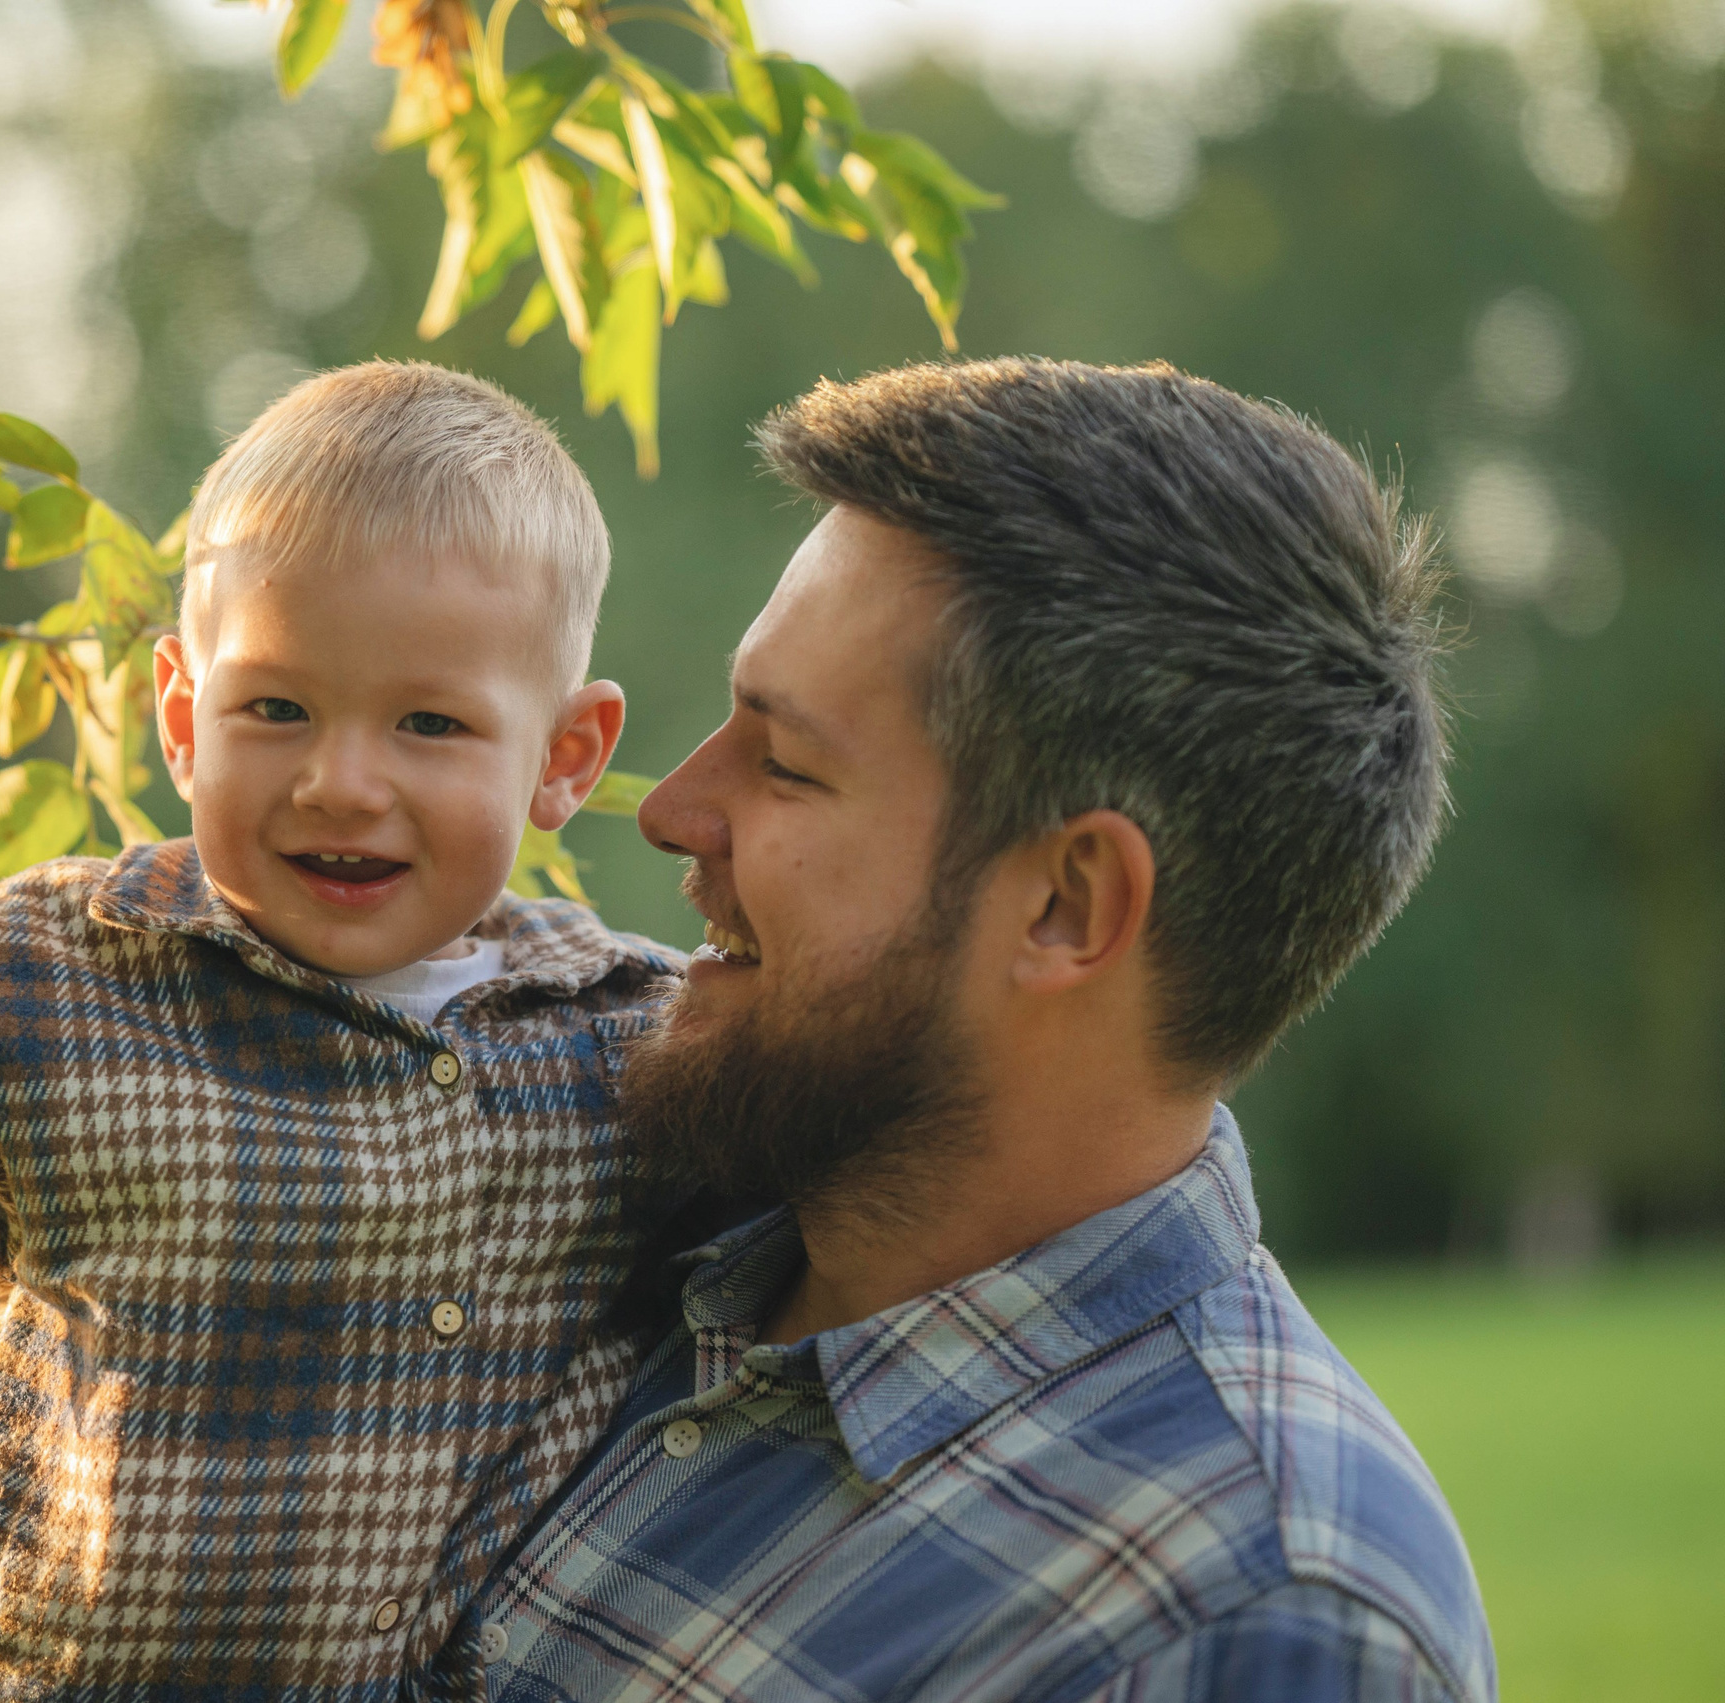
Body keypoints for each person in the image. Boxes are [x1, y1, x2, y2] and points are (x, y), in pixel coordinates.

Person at [0, 361, 685, 1698]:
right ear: (180, 718)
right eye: (275, 708)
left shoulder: (636, 1039)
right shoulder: (56, 972)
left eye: (431, 724)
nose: (341, 783)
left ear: (566, 757)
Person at [414, 359, 1497, 1702]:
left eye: (788, 765)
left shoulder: (1244, 1622)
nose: (675, 810)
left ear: (1064, 904)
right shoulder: (580, 1230)